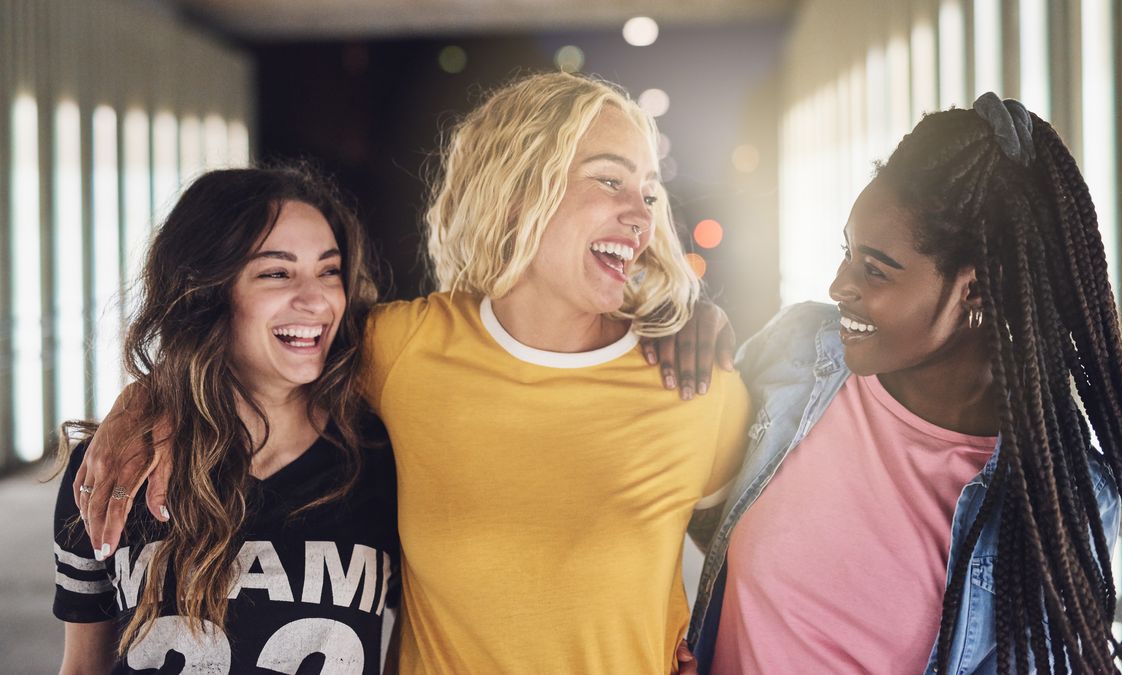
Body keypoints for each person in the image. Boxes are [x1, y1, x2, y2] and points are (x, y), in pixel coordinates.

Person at [71, 72, 749, 674]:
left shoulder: (696, 386)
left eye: (651, 192)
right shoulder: (401, 349)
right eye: (610, 179)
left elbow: (755, 572)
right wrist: (147, 395)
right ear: (516, 191)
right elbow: (255, 351)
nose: (642, 213)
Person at [689, 93, 1122, 674]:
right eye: (846, 254)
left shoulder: (1058, 501)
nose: (838, 285)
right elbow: (696, 509)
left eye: (874, 269)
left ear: (973, 290)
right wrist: (686, 327)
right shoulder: (801, 349)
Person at [53, 165, 400, 674]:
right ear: (209, 292)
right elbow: (84, 667)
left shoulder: (380, 461)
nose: (316, 299)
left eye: (329, 270)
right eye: (276, 273)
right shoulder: (116, 467)